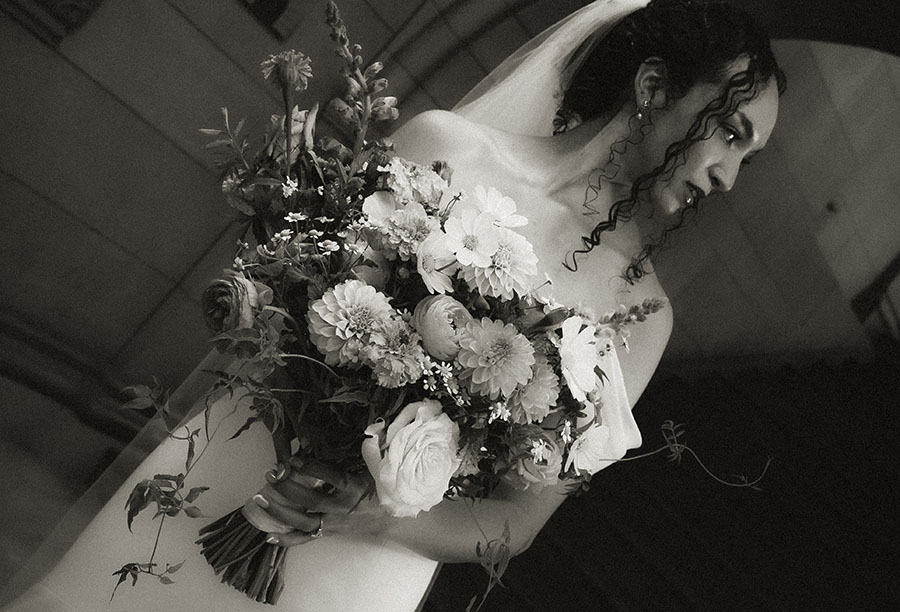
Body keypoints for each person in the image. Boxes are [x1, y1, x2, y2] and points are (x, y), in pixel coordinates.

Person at [1, 0, 783, 610]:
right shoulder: (449, 145)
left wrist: (373, 513)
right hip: (243, 467)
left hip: (359, 565)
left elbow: (517, 522)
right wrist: (311, 398)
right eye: (731, 133)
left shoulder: (640, 317)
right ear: (652, 88)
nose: (728, 176)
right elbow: (286, 300)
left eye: (749, 156)